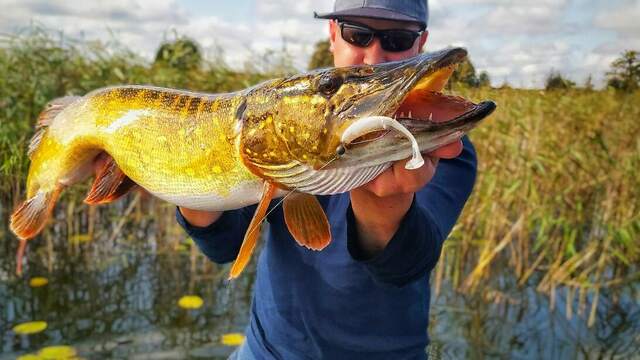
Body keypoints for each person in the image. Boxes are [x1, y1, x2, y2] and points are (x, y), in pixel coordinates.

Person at [177, 1, 477, 358]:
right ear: (334, 34)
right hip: (266, 350)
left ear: (421, 42)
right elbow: (223, 245)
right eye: (357, 35)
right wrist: (184, 177)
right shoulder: (284, 122)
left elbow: (405, 266)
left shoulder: (445, 146)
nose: (373, 58)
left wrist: (383, 203)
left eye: (396, 39)